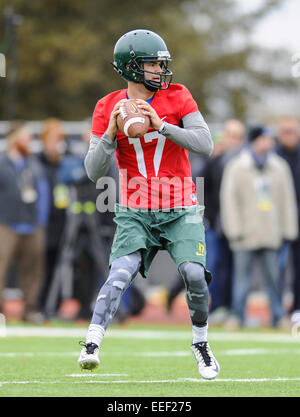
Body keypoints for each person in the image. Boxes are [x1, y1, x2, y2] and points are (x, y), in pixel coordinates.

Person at [77, 29, 220, 380]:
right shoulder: (107, 106)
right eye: (153, 63)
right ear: (132, 68)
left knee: (193, 276)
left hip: (180, 205)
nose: (160, 69)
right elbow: (94, 171)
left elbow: (205, 143)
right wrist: (110, 134)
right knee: (119, 274)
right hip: (135, 207)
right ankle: (91, 343)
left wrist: (163, 126)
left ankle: (200, 343)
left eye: (160, 63)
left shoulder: (179, 95)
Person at [220, 125, 298, 328]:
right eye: (264, 138)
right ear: (255, 140)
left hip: (271, 232)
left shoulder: (279, 167)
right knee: (242, 279)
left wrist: (288, 230)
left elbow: (287, 200)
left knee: (274, 279)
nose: (269, 142)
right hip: (245, 233)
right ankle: (238, 316)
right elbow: (229, 200)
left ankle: (278, 316)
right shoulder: (237, 166)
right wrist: (234, 229)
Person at [0, 121, 50, 322]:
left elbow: (44, 192)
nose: (29, 141)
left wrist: (41, 220)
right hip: (6, 223)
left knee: (33, 270)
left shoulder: (33, 163)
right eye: (25, 136)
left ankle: (30, 309)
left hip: (32, 224)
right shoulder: (2, 163)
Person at [37, 118, 67, 313]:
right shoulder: (37, 162)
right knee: (42, 266)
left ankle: (53, 305)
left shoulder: (65, 163)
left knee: (58, 265)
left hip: (62, 223)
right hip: (43, 223)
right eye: (53, 138)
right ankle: (39, 304)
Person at [275, 117, 300, 314]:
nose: (288, 135)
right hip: (277, 221)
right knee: (277, 267)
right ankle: (278, 310)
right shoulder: (272, 156)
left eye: (292, 131)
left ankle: (297, 307)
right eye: (285, 131)